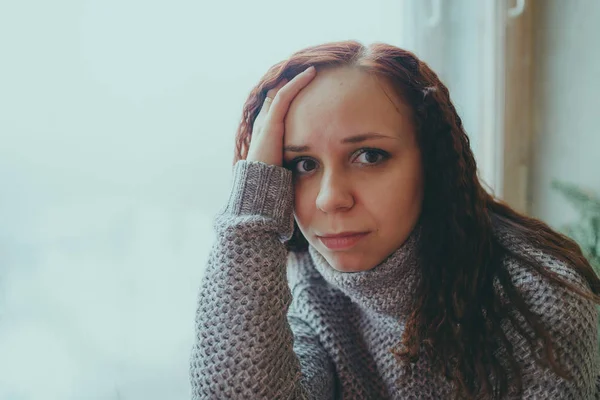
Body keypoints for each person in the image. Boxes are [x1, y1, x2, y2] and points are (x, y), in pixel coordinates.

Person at [189, 41, 600, 399]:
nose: (331, 199)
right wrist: (253, 207)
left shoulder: (538, 305)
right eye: (302, 164)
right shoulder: (312, 284)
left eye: (369, 156)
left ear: (432, 164)